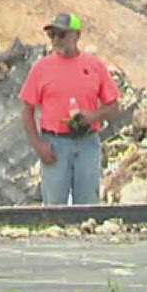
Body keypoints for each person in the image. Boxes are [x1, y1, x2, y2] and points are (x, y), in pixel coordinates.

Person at [19, 11, 122, 205]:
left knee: (88, 203)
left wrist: (92, 116)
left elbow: (114, 107)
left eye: (62, 34)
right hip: (55, 144)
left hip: (87, 142)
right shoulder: (41, 68)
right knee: (54, 204)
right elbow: (27, 110)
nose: (57, 40)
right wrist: (38, 145)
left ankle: (86, 233)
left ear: (77, 35)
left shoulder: (94, 66)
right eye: (53, 35)